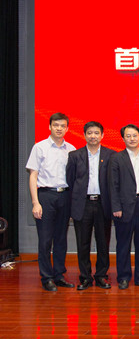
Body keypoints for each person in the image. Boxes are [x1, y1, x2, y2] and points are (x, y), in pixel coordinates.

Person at [26, 113, 76, 291]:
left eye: (62, 126)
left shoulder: (71, 149)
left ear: (67, 128)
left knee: (61, 239)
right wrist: (35, 202)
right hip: (45, 196)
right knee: (45, 239)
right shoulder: (39, 147)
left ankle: (59, 275)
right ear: (49, 127)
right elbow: (33, 176)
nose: (59, 128)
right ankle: (46, 277)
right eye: (56, 125)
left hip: (65, 196)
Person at [65, 121, 115, 290]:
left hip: (103, 204)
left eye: (96, 133)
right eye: (89, 133)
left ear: (102, 135)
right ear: (84, 135)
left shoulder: (111, 155)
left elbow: (113, 183)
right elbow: (70, 182)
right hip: (82, 204)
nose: (93, 136)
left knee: (103, 243)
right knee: (82, 243)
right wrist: (71, 208)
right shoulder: (75, 155)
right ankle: (85, 277)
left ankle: (101, 276)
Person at [110, 124, 139, 289]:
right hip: (124, 207)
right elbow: (113, 185)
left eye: (134, 135)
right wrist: (116, 207)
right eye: (128, 136)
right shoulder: (117, 158)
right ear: (123, 138)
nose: (132, 139)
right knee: (123, 244)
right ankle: (123, 277)